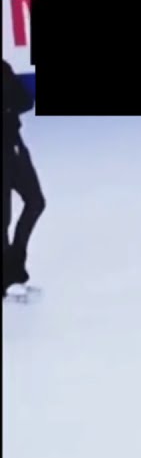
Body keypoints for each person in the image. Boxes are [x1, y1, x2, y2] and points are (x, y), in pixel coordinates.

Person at [2, 58, 45, 303]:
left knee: (36, 201)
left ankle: (14, 270)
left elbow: (26, 101)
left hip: (14, 146)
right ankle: (7, 281)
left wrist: (8, 107)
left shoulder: (3, 68)